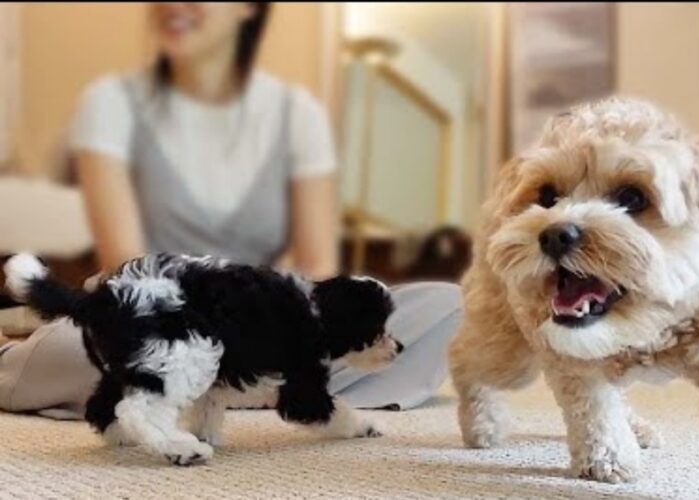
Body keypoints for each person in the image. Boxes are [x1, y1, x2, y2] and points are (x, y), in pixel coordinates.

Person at [0, 2, 460, 418]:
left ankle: (240, 382)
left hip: (266, 322)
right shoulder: (111, 105)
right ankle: (244, 386)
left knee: (444, 304)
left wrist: (266, 330)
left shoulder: (298, 116)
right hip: (155, 310)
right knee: (87, 345)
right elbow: (123, 259)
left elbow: (319, 270)